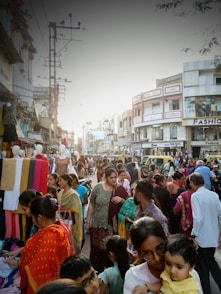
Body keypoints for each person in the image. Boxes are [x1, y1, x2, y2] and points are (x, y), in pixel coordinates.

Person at [123, 216, 203, 294]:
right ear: (139, 253)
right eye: (147, 253)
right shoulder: (133, 277)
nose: (157, 258)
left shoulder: (189, 275)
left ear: (166, 240)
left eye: (160, 248)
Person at [18, 196, 71, 293]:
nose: (33, 220)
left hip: (48, 287)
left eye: (33, 217)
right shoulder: (61, 230)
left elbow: (38, 269)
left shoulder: (49, 237)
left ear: (39, 218)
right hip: (61, 284)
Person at [85, 167, 128, 273]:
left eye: (115, 177)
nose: (114, 180)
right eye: (111, 177)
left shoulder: (119, 189)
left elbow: (128, 204)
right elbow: (91, 205)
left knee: (108, 250)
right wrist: (87, 221)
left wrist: (121, 200)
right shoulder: (98, 188)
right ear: (106, 177)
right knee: (96, 250)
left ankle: (108, 273)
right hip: (96, 224)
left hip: (109, 226)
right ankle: (97, 272)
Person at [189, 172, 221, 294]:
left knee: (204, 268)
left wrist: (193, 234)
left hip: (201, 237)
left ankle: (206, 290)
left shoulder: (195, 196)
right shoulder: (213, 195)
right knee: (209, 263)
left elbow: (198, 218)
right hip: (212, 236)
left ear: (193, 183)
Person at [57, 174, 83, 253]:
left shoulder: (73, 194)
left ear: (66, 181)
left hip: (71, 221)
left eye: (60, 180)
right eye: (58, 181)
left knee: (71, 239)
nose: (59, 182)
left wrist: (63, 211)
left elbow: (77, 209)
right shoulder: (60, 193)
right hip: (61, 219)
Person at [70, 173, 88, 247]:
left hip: (80, 214)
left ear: (75, 179)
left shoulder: (82, 188)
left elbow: (86, 201)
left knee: (81, 235)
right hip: (71, 214)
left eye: (71, 179)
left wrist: (78, 203)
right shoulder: (69, 189)